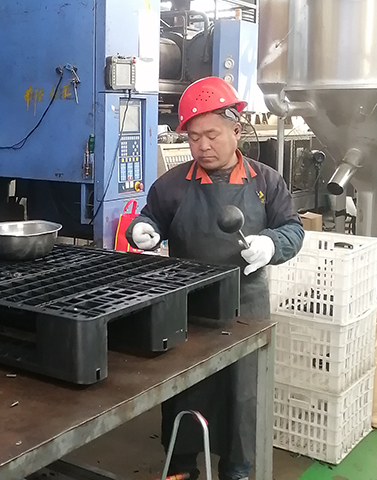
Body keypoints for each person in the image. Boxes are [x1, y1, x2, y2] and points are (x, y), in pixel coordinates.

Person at [124, 77, 304, 480]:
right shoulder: (172, 185)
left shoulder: (266, 182)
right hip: (188, 310)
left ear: (236, 131)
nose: (202, 146)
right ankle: (180, 468)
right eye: (193, 138)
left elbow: (293, 229)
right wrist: (142, 230)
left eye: (212, 135)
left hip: (246, 309)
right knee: (185, 393)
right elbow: (150, 218)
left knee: (243, 395)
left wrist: (272, 244)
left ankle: (237, 471)